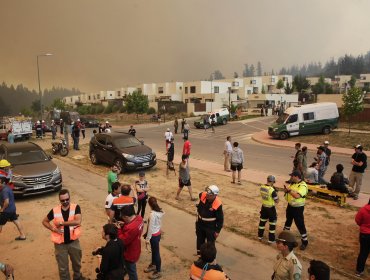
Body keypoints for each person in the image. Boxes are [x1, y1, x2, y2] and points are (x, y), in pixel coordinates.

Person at [42, 189, 83, 280]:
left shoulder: (76, 207)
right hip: (60, 245)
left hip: (74, 242)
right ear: (59, 200)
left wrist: (61, 223)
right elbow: (44, 221)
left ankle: (77, 278)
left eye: (67, 199)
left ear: (69, 197)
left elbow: (78, 221)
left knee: (77, 264)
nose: (65, 202)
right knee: (63, 269)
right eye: (62, 200)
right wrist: (53, 228)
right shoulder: (54, 210)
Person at [283, 170, 309, 250]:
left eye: (292, 176)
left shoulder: (303, 186)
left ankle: (305, 242)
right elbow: (290, 192)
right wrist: (286, 191)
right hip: (290, 206)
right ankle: (285, 237)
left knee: (300, 224)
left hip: (298, 208)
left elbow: (297, 196)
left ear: (296, 177)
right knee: (288, 222)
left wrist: (289, 191)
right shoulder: (293, 184)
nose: (291, 177)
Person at [117, 205, 144, 280]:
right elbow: (132, 227)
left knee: (132, 272)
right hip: (136, 248)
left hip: (130, 253)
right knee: (131, 268)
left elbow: (123, 241)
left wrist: (119, 230)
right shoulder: (139, 218)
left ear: (126, 217)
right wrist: (124, 224)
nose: (122, 218)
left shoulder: (130, 228)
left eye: (123, 217)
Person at [195, 185, 223, 256]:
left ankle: (211, 258)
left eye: (209, 195)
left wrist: (217, 231)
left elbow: (220, 219)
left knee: (210, 243)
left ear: (215, 195)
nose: (207, 195)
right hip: (200, 223)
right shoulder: (203, 195)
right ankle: (200, 256)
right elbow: (201, 194)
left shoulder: (218, 204)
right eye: (207, 193)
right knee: (200, 240)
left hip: (210, 226)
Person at [0, 172, 26, 240]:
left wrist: (2, 209)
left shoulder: (4, 191)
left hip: (6, 211)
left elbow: (6, 202)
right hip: (12, 209)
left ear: (3, 183)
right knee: (16, 221)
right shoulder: (8, 188)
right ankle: (22, 235)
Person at [143, 197, 164, 279]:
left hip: (153, 236)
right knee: (154, 251)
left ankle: (158, 271)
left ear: (149, 204)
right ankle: (153, 264)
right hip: (157, 234)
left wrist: (147, 239)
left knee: (156, 253)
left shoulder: (152, 214)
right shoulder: (159, 211)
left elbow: (151, 227)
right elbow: (157, 223)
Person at [258, 175, 279, 244]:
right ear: (273, 181)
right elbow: (277, 201)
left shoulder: (262, 187)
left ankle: (260, 236)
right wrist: (276, 194)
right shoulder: (272, 190)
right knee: (272, 224)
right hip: (271, 209)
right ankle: (271, 239)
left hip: (263, 207)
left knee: (262, 223)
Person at [355, 198, 370, 277]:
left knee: (363, 252)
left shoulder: (363, 209)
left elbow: (357, 220)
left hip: (364, 234)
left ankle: (359, 271)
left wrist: (363, 226)